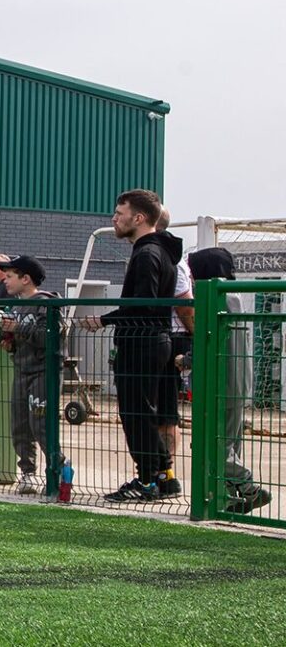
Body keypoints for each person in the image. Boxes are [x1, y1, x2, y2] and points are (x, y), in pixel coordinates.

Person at [88, 189, 180, 502]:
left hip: (142, 342)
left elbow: (142, 303)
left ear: (138, 218)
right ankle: (163, 476)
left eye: (119, 213)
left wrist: (104, 319)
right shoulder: (158, 252)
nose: (114, 219)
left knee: (135, 413)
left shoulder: (147, 254)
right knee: (144, 411)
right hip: (153, 340)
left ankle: (147, 481)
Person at [185, 247, 272, 513]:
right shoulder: (232, 295)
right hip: (238, 383)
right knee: (230, 442)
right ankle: (226, 499)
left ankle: (248, 487)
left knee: (213, 442)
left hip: (220, 384)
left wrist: (187, 360)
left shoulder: (211, 295)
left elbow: (208, 340)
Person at [0, 256, 62, 496]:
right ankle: (27, 474)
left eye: (10, 276)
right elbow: (17, 339)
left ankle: (57, 471)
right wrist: (8, 342)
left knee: (41, 424)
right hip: (21, 370)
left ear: (26, 279)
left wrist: (18, 329)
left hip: (43, 373)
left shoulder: (46, 304)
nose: (5, 280)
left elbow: (50, 337)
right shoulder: (14, 306)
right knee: (20, 425)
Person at [156, 209, 194, 478]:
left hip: (173, 337)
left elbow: (184, 303)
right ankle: (158, 470)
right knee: (157, 408)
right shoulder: (155, 255)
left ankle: (166, 473)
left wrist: (195, 334)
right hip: (160, 337)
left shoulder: (174, 262)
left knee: (167, 410)